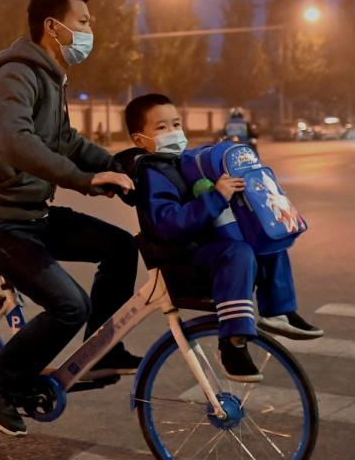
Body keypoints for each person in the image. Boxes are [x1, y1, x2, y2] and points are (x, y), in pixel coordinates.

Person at [0, 0, 140, 437]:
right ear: (52, 27)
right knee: (68, 305)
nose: (89, 30)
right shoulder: (15, 77)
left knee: (119, 247)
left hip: (31, 216)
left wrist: (115, 166)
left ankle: (102, 353)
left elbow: (67, 143)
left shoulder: (52, 79)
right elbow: (18, 144)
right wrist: (83, 180)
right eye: (82, 22)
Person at [123, 92, 322, 383]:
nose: (173, 132)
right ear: (140, 140)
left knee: (264, 234)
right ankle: (233, 343)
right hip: (181, 257)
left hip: (202, 247)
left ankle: (279, 311)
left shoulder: (184, 163)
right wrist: (217, 196)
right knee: (239, 252)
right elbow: (170, 226)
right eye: (161, 128)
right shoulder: (152, 173)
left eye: (176, 124)